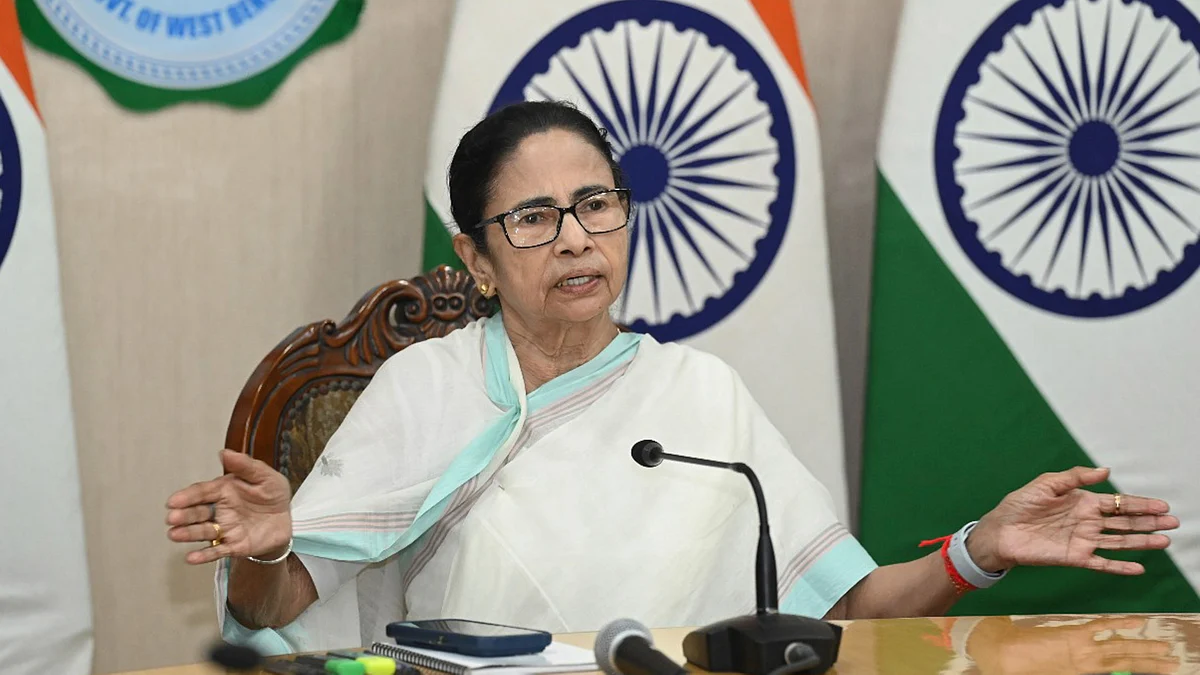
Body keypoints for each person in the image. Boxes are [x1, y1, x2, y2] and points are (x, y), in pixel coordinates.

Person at [165, 101, 1178, 656]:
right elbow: (279, 604)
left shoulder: (700, 395)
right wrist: (265, 546)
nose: (575, 240)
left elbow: (846, 610)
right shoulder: (425, 390)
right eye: (533, 219)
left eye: (595, 204)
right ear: (478, 259)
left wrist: (979, 550)